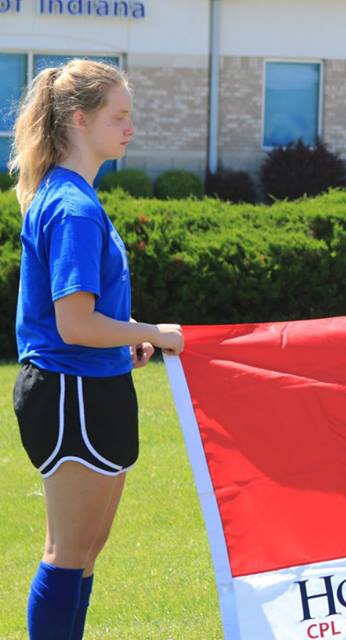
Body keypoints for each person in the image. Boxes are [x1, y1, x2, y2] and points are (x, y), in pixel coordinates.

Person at [9, 59, 184, 639]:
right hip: (69, 391)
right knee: (67, 552)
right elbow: (74, 324)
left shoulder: (77, 196)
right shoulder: (73, 206)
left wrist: (127, 337)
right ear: (80, 120)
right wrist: (149, 334)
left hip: (95, 386)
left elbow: (90, 318)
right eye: (120, 116)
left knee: (85, 552)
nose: (130, 127)